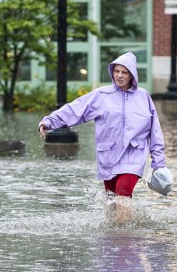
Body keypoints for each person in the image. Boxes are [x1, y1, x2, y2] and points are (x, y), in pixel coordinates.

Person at [38, 52, 167, 214]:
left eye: (124, 72)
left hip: (134, 155)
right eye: (117, 71)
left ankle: (124, 238)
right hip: (108, 156)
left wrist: (158, 163)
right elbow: (76, 109)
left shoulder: (143, 97)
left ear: (132, 75)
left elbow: (155, 131)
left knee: (122, 196)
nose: (119, 76)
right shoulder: (102, 95)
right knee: (112, 204)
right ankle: (116, 236)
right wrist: (49, 121)